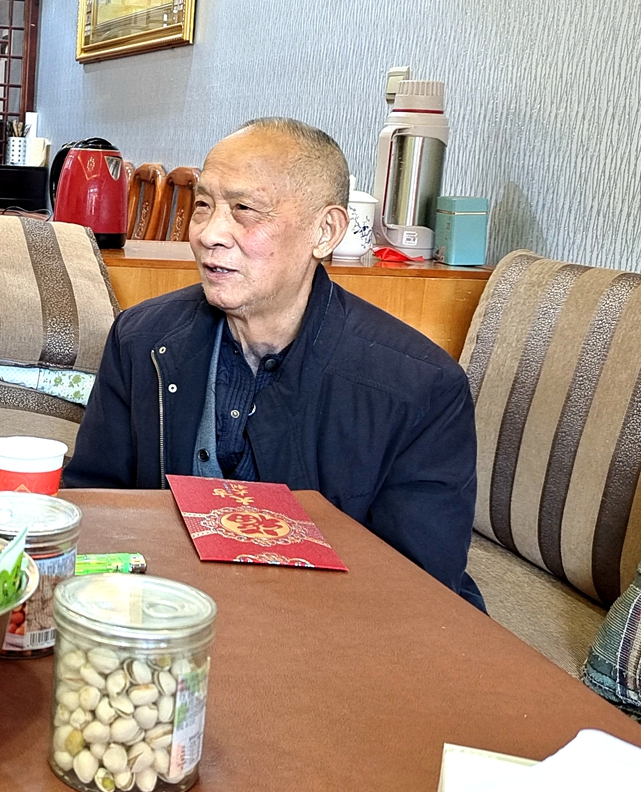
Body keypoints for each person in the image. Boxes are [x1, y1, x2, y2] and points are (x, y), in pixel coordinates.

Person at [64, 118, 482, 608]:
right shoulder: (142, 338)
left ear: (325, 231)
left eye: (244, 210)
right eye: (203, 205)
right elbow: (95, 502)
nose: (209, 234)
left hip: (328, 624)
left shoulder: (420, 386)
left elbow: (418, 588)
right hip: (169, 611)